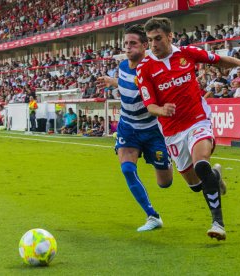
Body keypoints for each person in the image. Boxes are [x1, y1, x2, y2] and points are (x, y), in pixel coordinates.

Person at [137, 17, 240, 240]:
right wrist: (161, 110)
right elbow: (149, 104)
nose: (153, 44)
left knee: (201, 164)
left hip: (197, 120)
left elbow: (218, 59)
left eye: (158, 39)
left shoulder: (187, 53)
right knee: (196, 185)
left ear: (170, 36)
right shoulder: (144, 68)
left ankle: (218, 224)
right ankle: (215, 177)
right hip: (172, 131)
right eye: (150, 40)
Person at [97, 24, 173, 232]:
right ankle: (152, 215)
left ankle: (171, 160)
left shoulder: (153, 69)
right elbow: (125, 82)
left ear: (145, 46)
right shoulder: (122, 67)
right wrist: (110, 81)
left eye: (133, 44)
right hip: (128, 128)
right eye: (126, 44)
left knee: (165, 183)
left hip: (152, 131)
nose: (128, 48)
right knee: (127, 169)